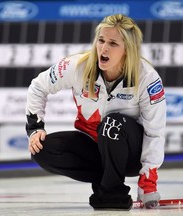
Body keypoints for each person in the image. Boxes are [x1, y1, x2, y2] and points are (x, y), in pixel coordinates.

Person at [25, 14, 166, 210]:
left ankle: (111, 192)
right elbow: (38, 86)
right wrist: (35, 128)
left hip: (130, 155)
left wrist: (148, 179)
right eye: (101, 40)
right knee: (42, 150)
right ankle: (107, 175)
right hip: (95, 146)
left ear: (127, 49)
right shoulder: (77, 66)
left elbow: (155, 131)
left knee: (112, 123)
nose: (104, 48)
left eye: (113, 43)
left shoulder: (147, 78)